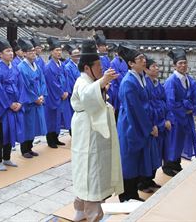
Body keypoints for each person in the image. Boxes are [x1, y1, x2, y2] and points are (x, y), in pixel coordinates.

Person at [71, 40, 123, 222]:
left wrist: (101, 84)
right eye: (98, 66)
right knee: (90, 170)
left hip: (92, 130)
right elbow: (86, 96)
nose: (101, 69)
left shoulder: (90, 80)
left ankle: (79, 209)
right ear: (87, 68)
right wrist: (101, 82)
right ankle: (92, 214)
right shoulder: (82, 81)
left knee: (91, 168)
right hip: (87, 131)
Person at [116, 45, 160, 202]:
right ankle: (126, 196)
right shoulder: (128, 82)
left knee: (137, 161)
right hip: (131, 125)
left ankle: (133, 194)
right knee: (129, 161)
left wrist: (152, 123)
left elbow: (148, 104)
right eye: (139, 59)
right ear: (131, 64)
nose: (143, 60)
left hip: (140, 124)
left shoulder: (142, 78)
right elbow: (136, 110)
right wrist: (149, 128)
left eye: (143, 57)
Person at [163, 48, 196, 177]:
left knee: (180, 140)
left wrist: (194, 106)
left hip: (185, 116)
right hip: (175, 117)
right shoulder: (171, 81)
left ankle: (176, 163)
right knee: (172, 140)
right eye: (180, 63)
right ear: (174, 65)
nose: (183, 65)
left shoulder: (188, 79)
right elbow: (170, 102)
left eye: (185, 63)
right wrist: (185, 109)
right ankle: (168, 165)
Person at [0, 37, 24, 171]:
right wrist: (9, 104)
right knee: (1, 134)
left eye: (11, 51)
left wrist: (20, 102)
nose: (11, 53)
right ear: (0, 54)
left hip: (14, 104)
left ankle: (7, 157)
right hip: (2, 107)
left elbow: (21, 85)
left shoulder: (15, 67)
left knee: (10, 132)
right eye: (7, 51)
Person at [137, 58, 170, 192]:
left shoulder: (159, 84)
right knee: (148, 154)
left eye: (157, 66)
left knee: (157, 153)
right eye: (153, 66)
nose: (157, 68)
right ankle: (142, 182)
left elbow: (165, 101)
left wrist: (166, 119)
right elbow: (146, 106)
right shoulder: (145, 85)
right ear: (146, 69)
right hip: (153, 123)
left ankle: (150, 179)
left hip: (161, 121)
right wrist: (153, 124)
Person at [17, 37, 47, 158]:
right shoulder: (21, 67)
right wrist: (35, 98)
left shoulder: (36, 65)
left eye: (34, 51)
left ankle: (30, 147)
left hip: (37, 100)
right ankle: (24, 149)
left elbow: (42, 81)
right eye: (30, 52)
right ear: (24, 53)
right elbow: (24, 87)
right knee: (27, 125)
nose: (33, 54)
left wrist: (42, 95)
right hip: (28, 102)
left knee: (33, 125)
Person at [44, 37, 71, 148]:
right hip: (53, 96)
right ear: (51, 52)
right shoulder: (48, 67)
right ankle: (50, 140)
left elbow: (67, 78)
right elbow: (52, 83)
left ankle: (56, 138)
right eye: (56, 50)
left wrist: (66, 91)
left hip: (62, 95)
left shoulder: (62, 64)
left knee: (58, 117)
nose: (59, 52)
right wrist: (61, 93)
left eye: (60, 50)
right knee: (51, 117)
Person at [63, 40, 81, 135]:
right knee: (73, 114)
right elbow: (71, 82)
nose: (77, 56)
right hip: (74, 93)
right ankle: (73, 132)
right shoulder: (68, 67)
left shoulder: (79, 65)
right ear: (70, 56)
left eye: (78, 54)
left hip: (81, 92)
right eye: (75, 54)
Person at [110, 48, 128, 119]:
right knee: (117, 107)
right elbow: (117, 76)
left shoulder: (124, 61)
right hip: (117, 87)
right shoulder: (113, 62)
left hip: (124, 84)